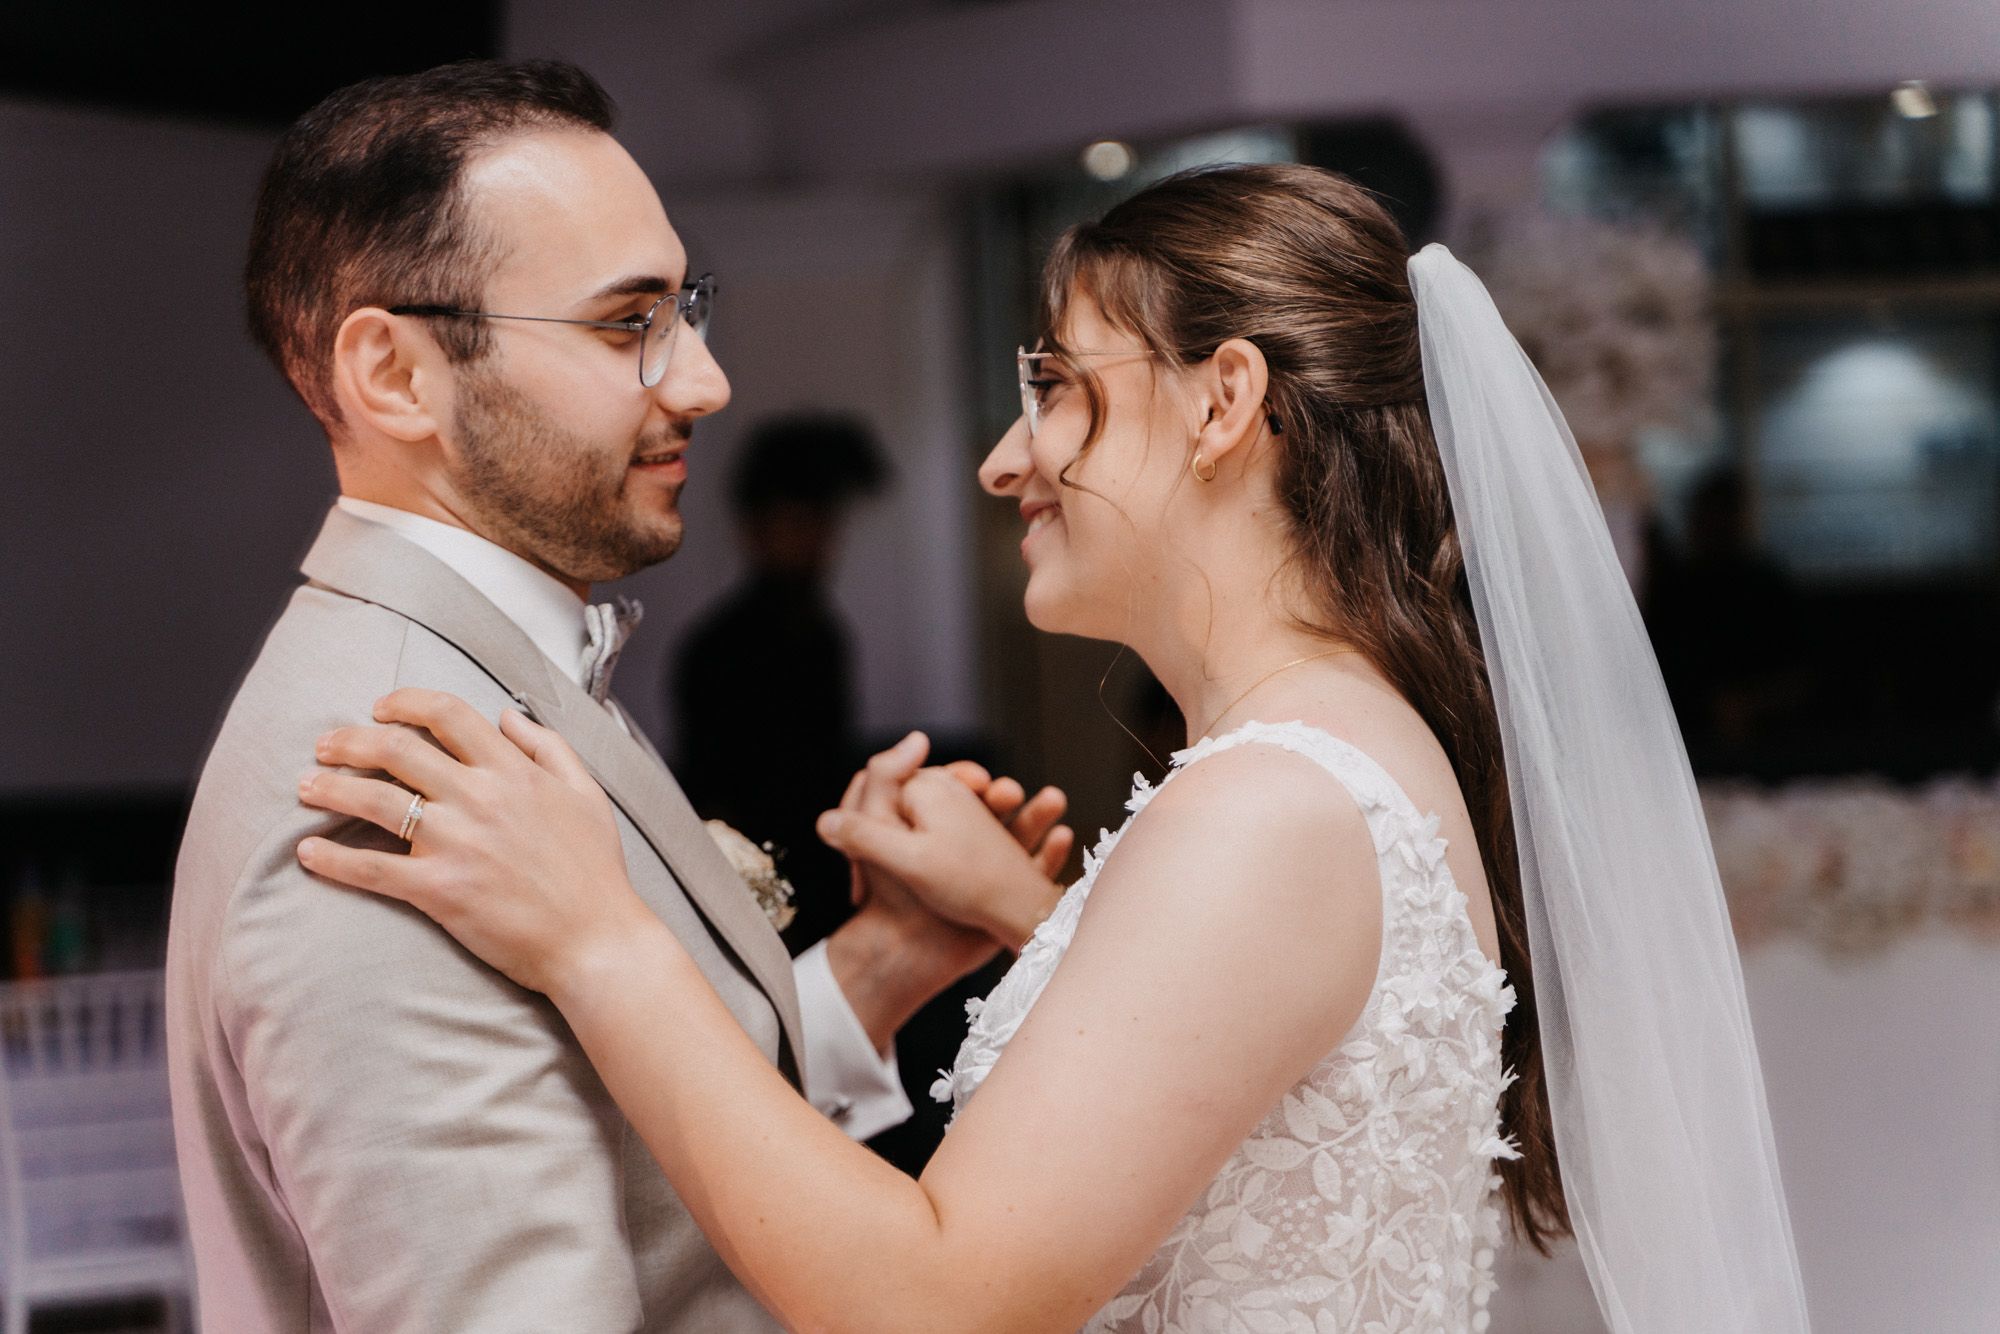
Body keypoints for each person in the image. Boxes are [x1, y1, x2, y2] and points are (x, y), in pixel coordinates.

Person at [297, 164, 1810, 1331]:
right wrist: (1036, 919)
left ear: (1225, 402)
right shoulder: (1347, 752)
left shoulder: (1268, 809)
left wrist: (597, 940)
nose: (1002, 458)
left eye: (1058, 389)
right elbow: (1270, 1081)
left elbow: (936, 1301)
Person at [167, 60, 1068, 1333]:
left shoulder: (491, 675)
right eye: (625, 322)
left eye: (682, 308)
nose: (702, 381)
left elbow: (637, 1164)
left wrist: (876, 966)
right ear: (395, 375)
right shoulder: (389, 777)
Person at [674, 413, 891, 953]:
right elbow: (713, 795)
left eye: (824, 523)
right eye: (797, 522)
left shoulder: (825, 633)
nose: (816, 540)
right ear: (755, 529)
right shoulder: (718, 647)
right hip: (758, 899)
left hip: (827, 879)